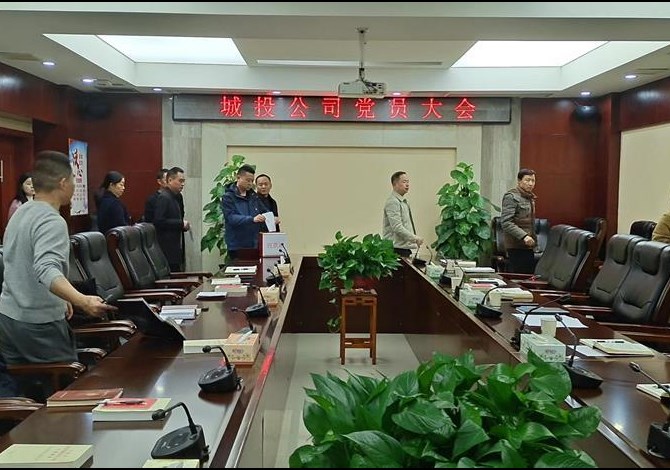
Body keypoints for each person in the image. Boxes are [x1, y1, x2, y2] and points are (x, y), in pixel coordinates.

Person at [0, 150, 115, 367]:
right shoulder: (52, 220)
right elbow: (46, 268)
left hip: (8, 321)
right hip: (38, 325)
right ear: (63, 183)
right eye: (73, 180)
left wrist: (62, 297)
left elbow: (21, 262)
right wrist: (82, 300)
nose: (74, 185)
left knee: (24, 386)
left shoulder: (20, 212)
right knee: (69, 383)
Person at [222, 164, 266, 259]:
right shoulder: (228, 197)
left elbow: (264, 210)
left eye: (252, 181)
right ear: (238, 178)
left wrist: (271, 217)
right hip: (237, 245)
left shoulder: (253, 196)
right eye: (248, 180)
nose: (250, 183)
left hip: (254, 244)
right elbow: (231, 218)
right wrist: (252, 219)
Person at [501, 168, 537, 274]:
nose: (530, 183)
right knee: (519, 277)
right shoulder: (511, 197)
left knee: (529, 275)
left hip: (528, 246)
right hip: (516, 245)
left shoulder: (529, 197)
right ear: (519, 181)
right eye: (527, 180)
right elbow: (506, 222)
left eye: (533, 181)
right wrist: (524, 236)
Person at [153, 166, 189, 272]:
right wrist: (180, 224)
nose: (183, 184)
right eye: (180, 181)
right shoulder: (164, 197)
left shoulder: (176, 197)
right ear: (169, 180)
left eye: (183, 181)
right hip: (167, 249)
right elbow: (159, 221)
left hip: (175, 247)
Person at [382, 171, 423, 257]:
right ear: (395, 184)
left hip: (404, 248)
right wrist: (415, 238)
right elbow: (397, 227)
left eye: (408, 182)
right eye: (404, 182)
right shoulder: (393, 202)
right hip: (395, 249)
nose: (407, 185)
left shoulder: (404, 202)